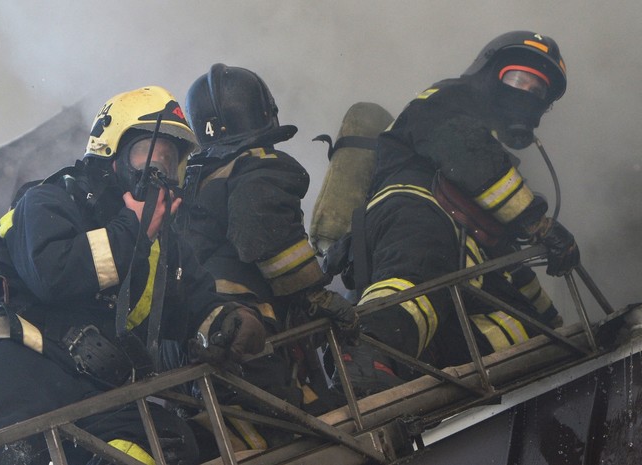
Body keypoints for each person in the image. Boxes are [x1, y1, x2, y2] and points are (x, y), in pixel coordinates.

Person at [0, 85, 267, 465]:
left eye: (168, 161)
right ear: (111, 153)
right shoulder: (49, 201)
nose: (159, 171)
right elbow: (54, 273)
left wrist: (227, 320)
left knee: (163, 439)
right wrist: (131, 230)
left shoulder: (160, 243)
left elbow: (190, 300)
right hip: (12, 379)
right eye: (147, 155)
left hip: (90, 396)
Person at [342, 31, 580, 394]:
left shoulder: (486, 187)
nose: (526, 96)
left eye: (537, 92)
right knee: (418, 275)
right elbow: (468, 155)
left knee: (521, 323)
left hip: (466, 248)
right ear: (487, 72)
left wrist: (554, 325)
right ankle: (366, 352)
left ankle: (430, 367)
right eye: (518, 79)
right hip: (415, 209)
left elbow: (509, 265)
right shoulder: (445, 100)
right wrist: (538, 223)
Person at [178, 64, 358, 447]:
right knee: (305, 433)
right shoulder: (260, 166)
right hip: (246, 325)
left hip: (205, 330)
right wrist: (315, 295)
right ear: (264, 112)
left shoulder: (194, 184)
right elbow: (260, 234)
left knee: (253, 430)